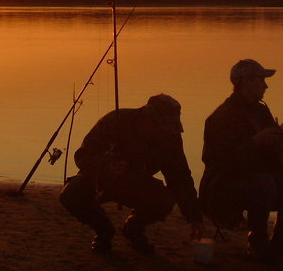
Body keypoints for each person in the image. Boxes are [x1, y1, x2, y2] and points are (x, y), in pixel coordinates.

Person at [200, 59, 283, 260]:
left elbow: (281, 149)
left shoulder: (261, 110)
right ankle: (257, 241)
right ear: (246, 82)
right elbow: (218, 162)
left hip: (260, 180)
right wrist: (255, 142)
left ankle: (282, 237)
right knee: (262, 182)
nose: (266, 86)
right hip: (222, 189)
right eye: (261, 80)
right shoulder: (221, 117)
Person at [59, 93, 204, 254]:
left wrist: (194, 216)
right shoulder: (115, 121)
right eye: (161, 125)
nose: (166, 130)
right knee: (72, 194)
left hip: (136, 183)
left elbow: (180, 176)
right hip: (100, 179)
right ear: (148, 118)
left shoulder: (171, 137)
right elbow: (83, 155)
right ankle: (104, 231)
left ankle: (134, 228)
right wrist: (106, 165)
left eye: (170, 126)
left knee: (164, 199)